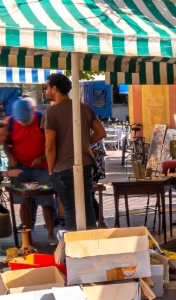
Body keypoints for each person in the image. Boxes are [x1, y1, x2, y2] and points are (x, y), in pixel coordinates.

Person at [43, 73, 106, 231]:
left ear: (55, 89)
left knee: (70, 211)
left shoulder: (50, 113)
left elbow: (50, 145)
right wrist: (82, 142)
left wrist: (50, 170)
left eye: (46, 87)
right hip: (85, 165)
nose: (45, 91)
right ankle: (92, 246)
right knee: (87, 208)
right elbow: (101, 133)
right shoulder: (83, 108)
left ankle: (74, 251)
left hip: (63, 168)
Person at [4, 96, 56, 236]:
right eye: (21, 121)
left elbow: (52, 143)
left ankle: (51, 234)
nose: (24, 124)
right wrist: (10, 156)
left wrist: (42, 157)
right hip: (20, 168)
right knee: (23, 201)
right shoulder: (10, 122)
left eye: (27, 121)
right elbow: (5, 142)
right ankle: (27, 235)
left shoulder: (41, 119)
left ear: (32, 113)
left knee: (46, 202)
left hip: (42, 167)